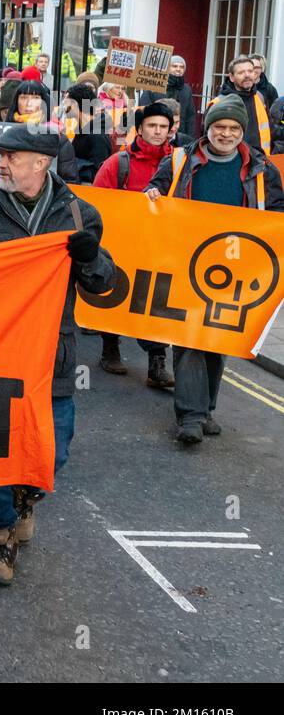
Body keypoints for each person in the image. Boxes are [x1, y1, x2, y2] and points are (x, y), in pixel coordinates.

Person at [0, 123, 115, 586]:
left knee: (54, 453)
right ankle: (0, 537)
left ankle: (26, 497)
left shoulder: (81, 215)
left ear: (40, 164)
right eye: (1, 156)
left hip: (52, 355)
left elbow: (105, 288)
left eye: (10, 157)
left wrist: (90, 258)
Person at [144, 95, 284, 445]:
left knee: (217, 340)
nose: (226, 133)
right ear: (208, 129)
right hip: (183, 261)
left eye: (234, 128)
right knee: (190, 336)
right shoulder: (179, 160)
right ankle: (190, 416)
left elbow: (278, 213)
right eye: (219, 126)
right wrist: (152, 195)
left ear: (243, 131)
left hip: (236, 267)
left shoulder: (264, 170)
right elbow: (157, 190)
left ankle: (205, 409)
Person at [92, 101, 177, 388]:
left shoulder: (180, 163)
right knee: (113, 295)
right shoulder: (119, 162)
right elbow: (98, 201)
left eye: (163, 127)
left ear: (171, 130)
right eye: (152, 126)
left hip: (160, 246)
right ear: (139, 129)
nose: (157, 131)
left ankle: (157, 362)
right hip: (122, 241)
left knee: (156, 303)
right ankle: (110, 347)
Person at [211, 54, 277, 152]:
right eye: (241, 72)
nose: (247, 75)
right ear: (232, 77)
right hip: (233, 163)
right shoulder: (219, 103)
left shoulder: (260, 98)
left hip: (260, 161)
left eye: (250, 71)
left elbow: (270, 130)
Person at [137, 54, 195, 143]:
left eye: (181, 67)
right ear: (167, 68)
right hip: (156, 134)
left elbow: (190, 115)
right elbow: (144, 109)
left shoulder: (186, 89)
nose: (178, 69)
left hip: (179, 135)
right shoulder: (154, 85)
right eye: (174, 66)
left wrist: (190, 137)